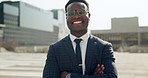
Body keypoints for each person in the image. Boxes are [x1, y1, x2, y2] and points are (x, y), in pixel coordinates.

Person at [43, 0, 118, 78]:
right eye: (71, 13)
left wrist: (69, 76)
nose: (76, 16)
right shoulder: (55, 49)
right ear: (66, 18)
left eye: (81, 12)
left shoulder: (104, 47)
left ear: (89, 15)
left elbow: (112, 76)